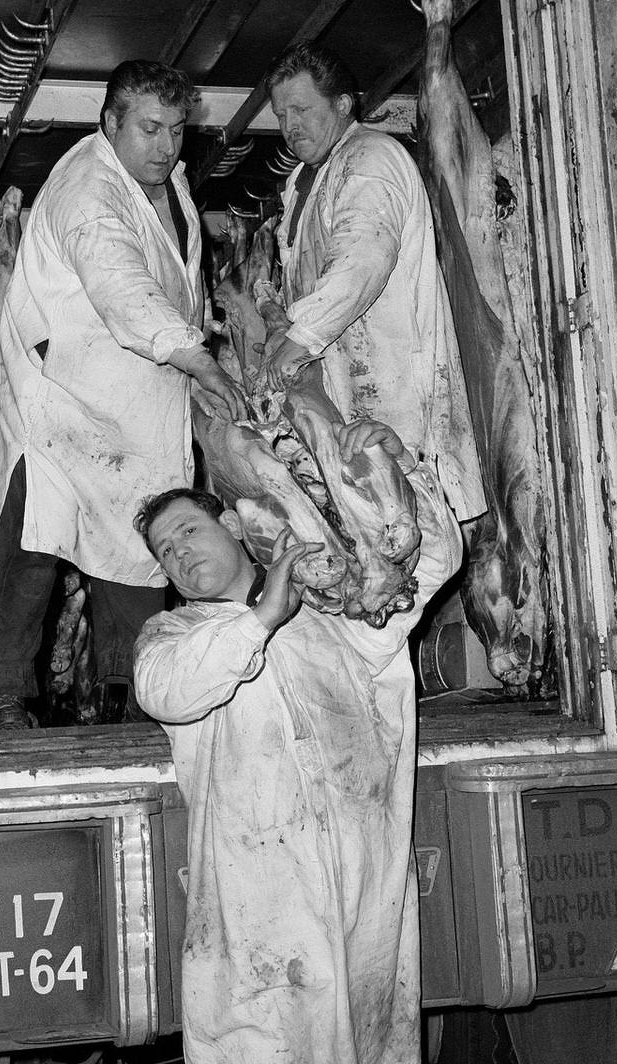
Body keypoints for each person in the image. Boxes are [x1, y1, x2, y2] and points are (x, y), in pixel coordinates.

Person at [133, 420, 462, 1064]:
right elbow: (163, 690)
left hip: (365, 877)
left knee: (373, 1038)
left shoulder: (331, 615)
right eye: (165, 552)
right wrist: (261, 617)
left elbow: (430, 565)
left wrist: (401, 468)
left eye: (187, 532)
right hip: (261, 895)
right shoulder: (173, 636)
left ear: (232, 525)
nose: (178, 554)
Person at [0, 60, 244, 727]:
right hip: (60, 403)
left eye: (176, 131)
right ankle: (1, 697)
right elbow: (121, 284)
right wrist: (198, 361)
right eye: (150, 129)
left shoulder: (168, 186)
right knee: (32, 551)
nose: (165, 147)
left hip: (134, 411)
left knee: (137, 560)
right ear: (109, 123)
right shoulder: (87, 190)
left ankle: (132, 698)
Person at [260, 41, 487, 528]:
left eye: (301, 109)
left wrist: (299, 337)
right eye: (281, 114)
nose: (289, 126)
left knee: (417, 520)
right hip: (349, 380)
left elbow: (364, 258)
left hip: (395, 379)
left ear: (343, 104)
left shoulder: (369, 158)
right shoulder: (306, 179)